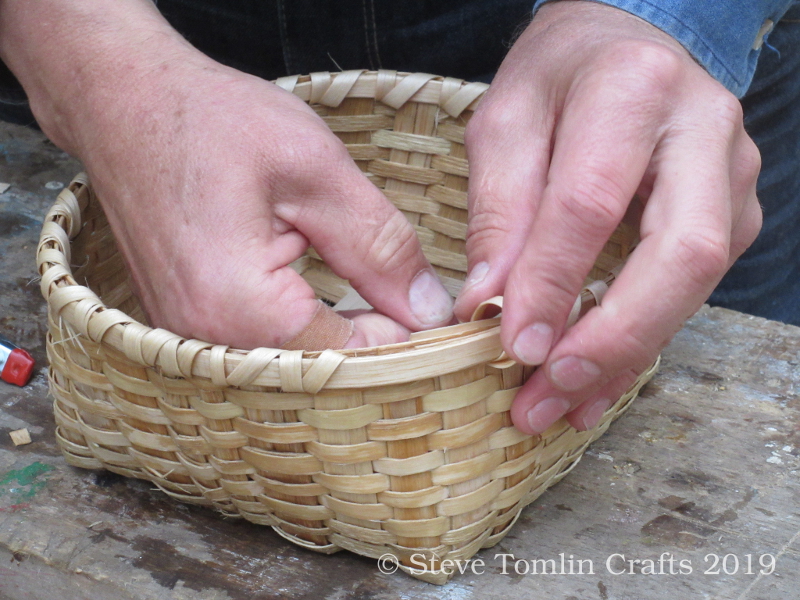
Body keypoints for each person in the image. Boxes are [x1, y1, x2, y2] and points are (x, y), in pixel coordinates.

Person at [0, 0, 796, 436]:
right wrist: (91, 60)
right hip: (121, 46)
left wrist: (666, 16)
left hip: (638, 94)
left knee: (725, 417)